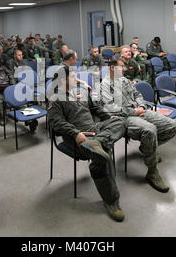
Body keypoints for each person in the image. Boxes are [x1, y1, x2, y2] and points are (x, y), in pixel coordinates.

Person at [48, 67, 127, 222]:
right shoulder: (55, 99)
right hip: (77, 137)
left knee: (121, 121)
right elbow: (56, 122)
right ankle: (112, 201)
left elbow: (95, 108)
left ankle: (97, 143)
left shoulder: (81, 91)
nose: (76, 79)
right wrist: (76, 133)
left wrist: (108, 116)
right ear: (63, 80)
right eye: (73, 76)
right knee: (104, 152)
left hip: (95, 132)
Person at [100, 57, 176, 192]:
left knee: (172, 126)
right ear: (113, 68)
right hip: (125, 117)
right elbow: (111, 108)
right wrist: (133, 111)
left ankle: (148, 148)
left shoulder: (124, 80)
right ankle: (152, 171)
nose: (124, 68)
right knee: (150, 129)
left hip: (140, 110)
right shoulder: (105, 85)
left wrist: (141, 106)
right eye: (121, 66)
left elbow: (137, 93)